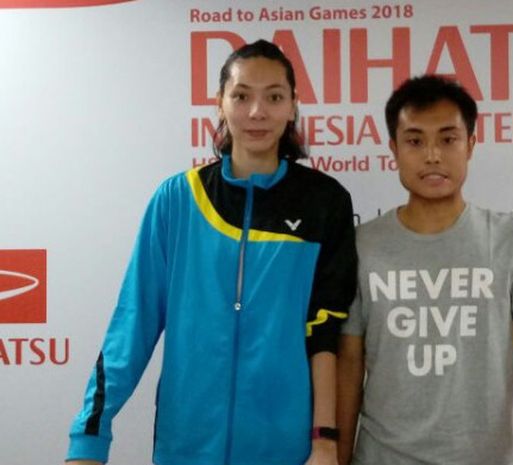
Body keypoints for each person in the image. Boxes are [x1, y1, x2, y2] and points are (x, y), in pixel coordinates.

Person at [66, 39, 357, 465]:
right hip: (186, 447)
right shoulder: (177, 199)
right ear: (220, 103)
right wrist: (89, 436)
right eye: (241, 96)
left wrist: (324, 441)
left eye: (274, 97)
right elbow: (133, 326)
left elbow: (325, 334)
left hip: (286, 449)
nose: (257, 112)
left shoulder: (324, 201)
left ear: (293, 105)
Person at [337, 75, 513, 465]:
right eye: (414, 141)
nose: (432, 155)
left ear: (471, 145)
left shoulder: (512, 238)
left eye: (448, 139)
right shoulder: (361, 245)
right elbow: (348, 368)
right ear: (393, 149)